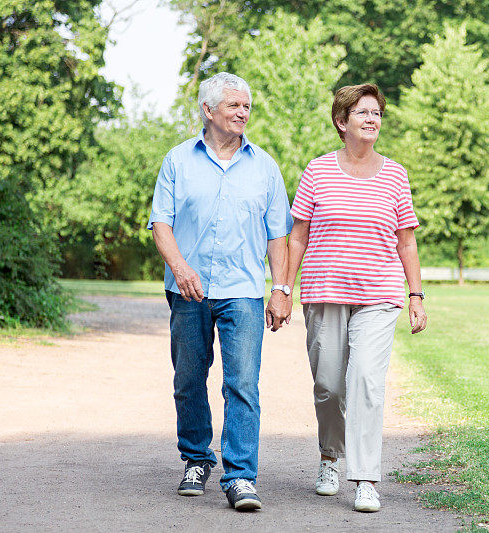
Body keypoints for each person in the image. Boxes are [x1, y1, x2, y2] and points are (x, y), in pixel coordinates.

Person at [147, 72, 293, 511]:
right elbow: (161, 223)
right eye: (233, 106)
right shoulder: (177, 160)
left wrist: (282, 288)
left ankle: (241, 476)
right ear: (208, 111)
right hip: (187, 290)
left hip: (243, 290)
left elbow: (278, 236)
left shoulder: (265, 166)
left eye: (246, 106)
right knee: (189, 381)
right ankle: (196, 458)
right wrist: (179, 266)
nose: (243, 113)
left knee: (243, 384)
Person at [285, 83, 427, 512]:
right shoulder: (317, 171)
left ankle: (365, 477)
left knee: (365, 381)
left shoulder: (395, 174)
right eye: (363, 112)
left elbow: (407, 243)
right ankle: (330, 456)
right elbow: (298, 236)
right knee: (329, 385)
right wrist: (283, 290)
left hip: (379, 296)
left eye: (377, 114)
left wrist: (416, 294)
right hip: (324, 292)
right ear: (341, 122)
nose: (372, 119)